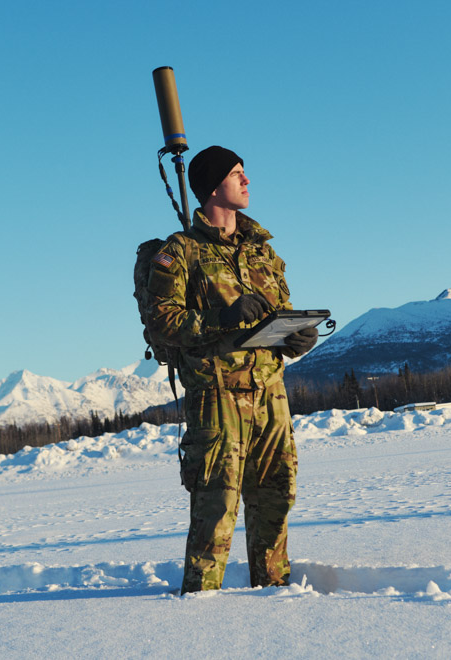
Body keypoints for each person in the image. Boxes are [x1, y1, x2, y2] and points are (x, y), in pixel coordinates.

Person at [145, 145, 318, 593]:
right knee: (216, 507)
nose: (246, 181)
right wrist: (221, 317)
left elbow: (279, 313)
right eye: (237, 173)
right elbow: (162, 323)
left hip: (270, 392)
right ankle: (201, 609)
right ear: (212, 186)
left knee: (277, 496)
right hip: (217, 396)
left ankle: (275, 592)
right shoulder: (180, 251)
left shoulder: (263, 252)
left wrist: (296, 337)